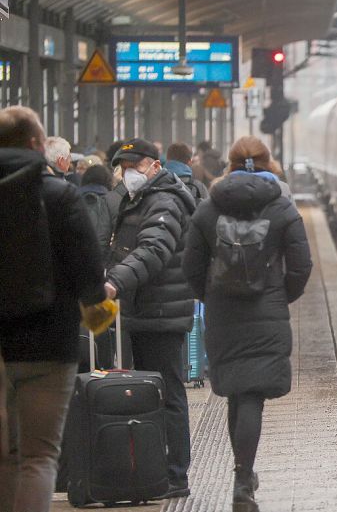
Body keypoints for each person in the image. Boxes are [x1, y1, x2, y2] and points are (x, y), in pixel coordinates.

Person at [182, 137, 312, 512]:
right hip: (266, 310)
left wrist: (210, 296)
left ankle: (242, 475)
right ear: (268, 162)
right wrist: (279, 295)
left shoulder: (209, 209)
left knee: (237, 391)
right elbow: (301, 266)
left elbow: (191, 266)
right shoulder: (282, 208)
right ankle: (243, 480)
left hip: (223, 313)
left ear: (230, 163)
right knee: (252, 394)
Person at [0, 106, 106, 512]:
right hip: (51, 344)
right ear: (34, 144)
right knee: (39, 456)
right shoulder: (61, 195)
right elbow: (90, 277)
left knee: (4, 455)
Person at [104, 138, 196, 499]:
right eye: (123, 167)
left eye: (135, 165)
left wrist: (115, 281)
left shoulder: (164, 201)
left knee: (168, 394)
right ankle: (157, 469)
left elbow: (154, 249)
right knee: (153, 395)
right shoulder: (139, 199)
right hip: (145, 310)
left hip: (161, 311)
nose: (129, 173)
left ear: (155, 166)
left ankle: (175, 475)